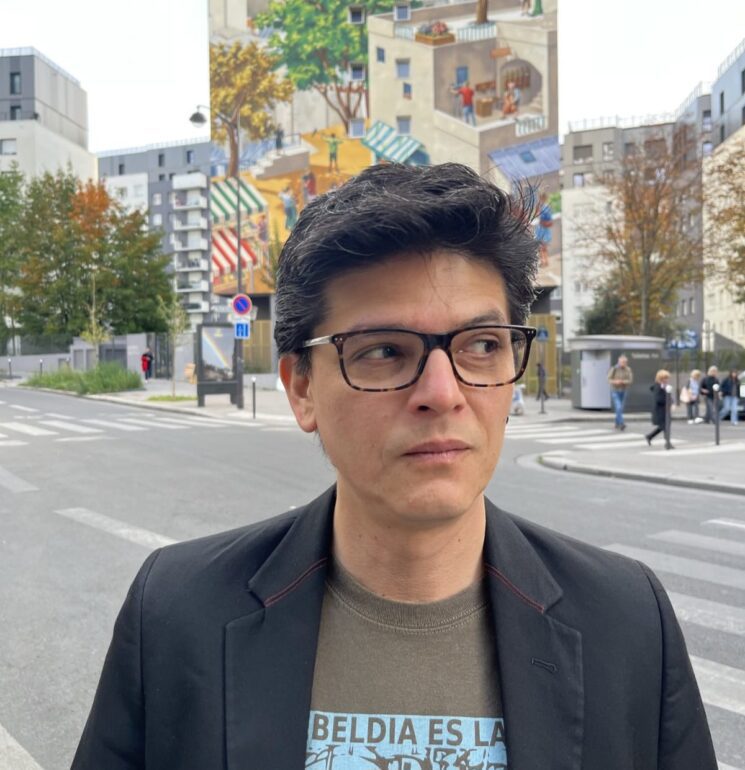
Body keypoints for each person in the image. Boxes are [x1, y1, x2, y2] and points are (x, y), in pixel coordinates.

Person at [73, 163, 716, 769]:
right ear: (302, 389)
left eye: (482, 344)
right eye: (383, 350)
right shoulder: (177, 613)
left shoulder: (628, 623)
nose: (443, 391)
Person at [645, 369, 673, 448]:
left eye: (667, 378)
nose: (666, 380)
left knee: (663, 426)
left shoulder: (664, 386)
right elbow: (658, 399)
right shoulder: (658, 387)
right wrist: (667, 401)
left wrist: (671, 401)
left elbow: (668, 396)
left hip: (664, 410)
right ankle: (667, 443)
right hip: (659, 410)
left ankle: (649, 436)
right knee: (665, 426)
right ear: (660, 378)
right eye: (665, 378)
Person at [607, 354, 633, 430]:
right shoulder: (614, 369)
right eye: (622, 362)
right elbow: (608, 379)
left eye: (625, 362)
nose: (624, 364)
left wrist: (623, 382)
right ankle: (621, 423)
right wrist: (615, 382)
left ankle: (617, 423)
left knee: (620, 408)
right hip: (615, 390)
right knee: (618, 407)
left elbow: (630, 380)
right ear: (619, 362)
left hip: (623, 390)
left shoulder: (628, 369)